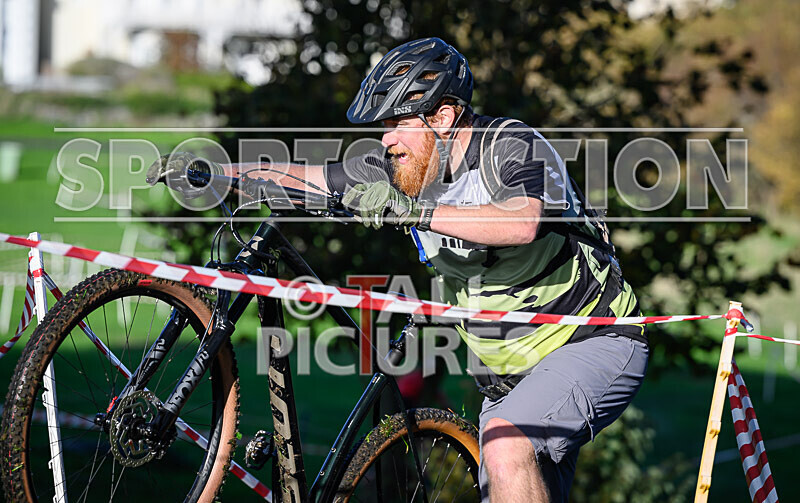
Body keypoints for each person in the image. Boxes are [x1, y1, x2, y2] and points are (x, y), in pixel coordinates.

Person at [147, 37, 648, 503]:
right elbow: (307, 179)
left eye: (398, 123)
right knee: (510, 465)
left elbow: (523, 221)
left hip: (594, 340)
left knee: (505, 446)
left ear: (445, 117)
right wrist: (217, 176)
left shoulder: (510, 147)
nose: (386, 140)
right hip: (506, 381)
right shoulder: (402, 172)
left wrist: (416, 213)